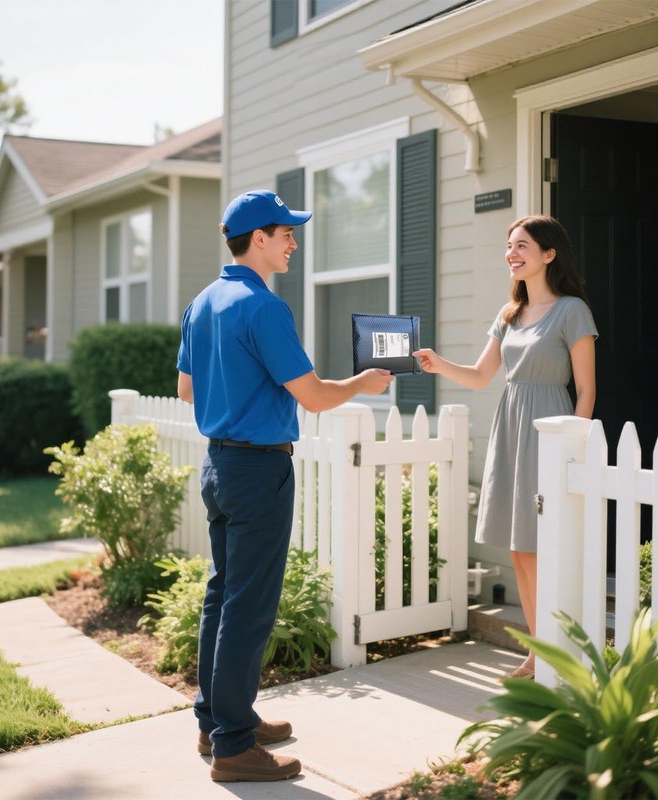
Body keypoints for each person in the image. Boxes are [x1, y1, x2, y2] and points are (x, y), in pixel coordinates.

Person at [177, 189, 393, 783]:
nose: (295, 243)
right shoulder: (263, 306)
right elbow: (316, 396)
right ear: (260, 239)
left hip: (218, 467)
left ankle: (219, 719)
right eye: (287, 233)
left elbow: (187, 392)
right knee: (248, 608)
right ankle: (233, 748)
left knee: (223, 599)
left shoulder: (202, 302)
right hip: (258, 469)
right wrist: (363, 383)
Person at [414, 215, 596, 680]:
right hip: (511, 425)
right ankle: (537, 653)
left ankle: (556, 650)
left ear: (549, 254)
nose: (511, 254)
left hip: (550, 427)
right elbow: (480, 375)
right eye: (509, 246)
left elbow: (587, 391)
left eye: (522, 246)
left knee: (540, 546)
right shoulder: (509, 314)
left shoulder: (572, 310)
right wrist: (437, 364)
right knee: (519, 549)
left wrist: (572, 449)